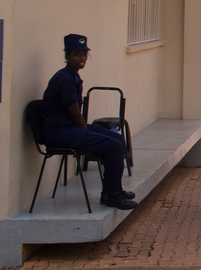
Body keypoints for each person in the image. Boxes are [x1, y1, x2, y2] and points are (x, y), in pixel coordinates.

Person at [41, 34, 137, 210]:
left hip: (69, 128)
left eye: (84, 54)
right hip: (59, 132)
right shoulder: (64, 78)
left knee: (117, 139)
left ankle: (114, 189)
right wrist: (87, 133)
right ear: (67, 56)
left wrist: (87, 132)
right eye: (77, 54)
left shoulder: (72, 76)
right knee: (112, 146)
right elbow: (76, 115)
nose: (82, 58)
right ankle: (111, 195)